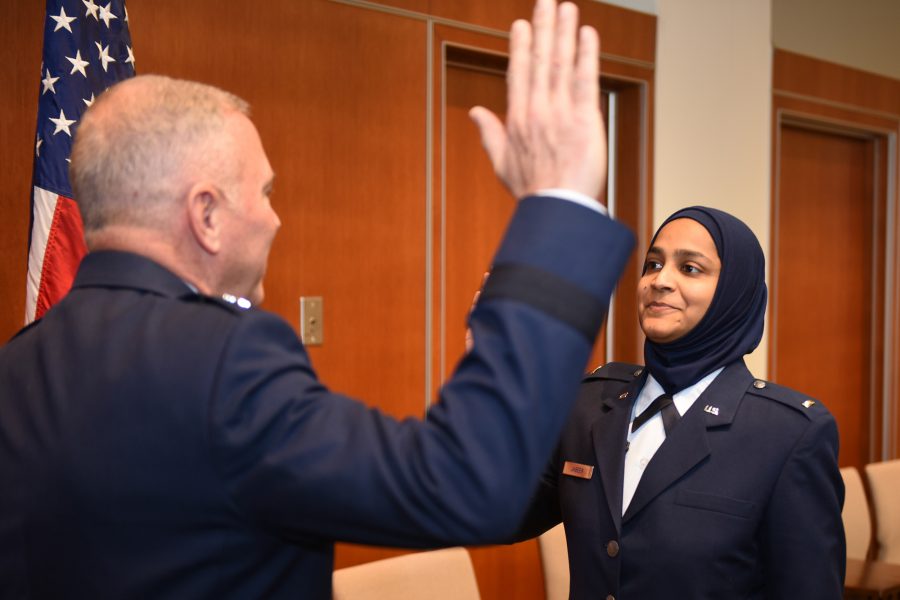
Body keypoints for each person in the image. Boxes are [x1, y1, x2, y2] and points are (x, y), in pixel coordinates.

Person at [0, 1, 635, 598]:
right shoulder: (225, 359)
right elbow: (465, 482)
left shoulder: (20, 363)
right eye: (267, 192)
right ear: (207, 215)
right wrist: (559, 205)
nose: (276, 220)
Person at [515, 206, 845, 599]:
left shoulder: (787, 434)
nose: (660, 281)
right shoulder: (590, 402)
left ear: (734, 292)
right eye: (652, 264)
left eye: (690, 268)